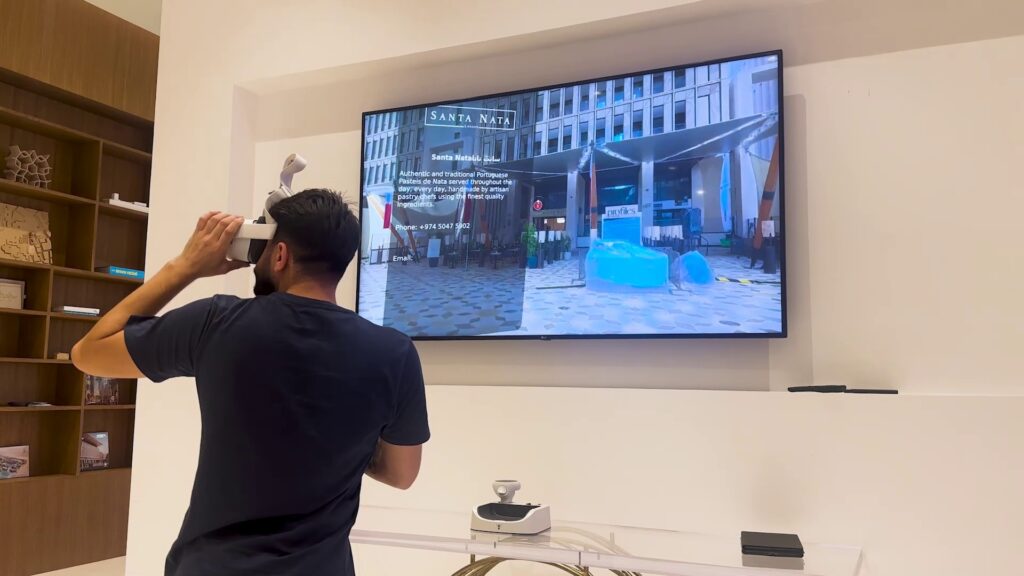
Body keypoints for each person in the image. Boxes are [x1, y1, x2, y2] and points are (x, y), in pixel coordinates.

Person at [72, 189, 429, 576]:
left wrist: (186, 266)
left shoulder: (216, 323)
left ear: (280, 255)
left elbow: (88, 353)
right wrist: (345, 446)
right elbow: (401, 474)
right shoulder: (394, 353)